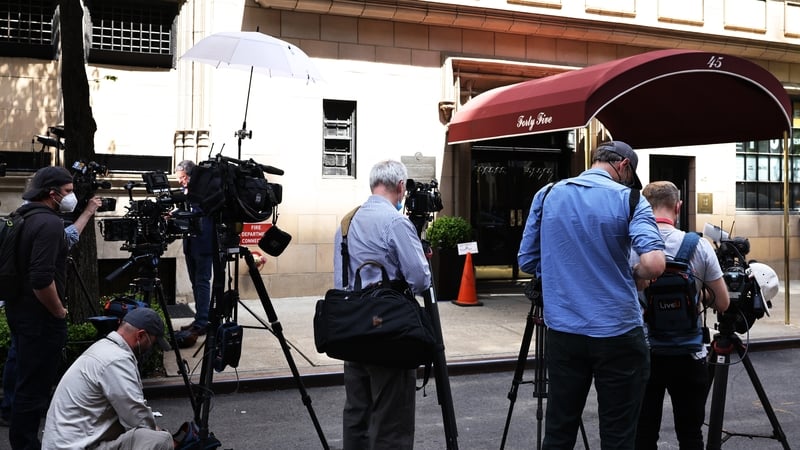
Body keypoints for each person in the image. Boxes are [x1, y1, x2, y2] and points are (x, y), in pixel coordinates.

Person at [517, 140, 666, 449]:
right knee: (618, 434)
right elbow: (654, 263)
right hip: (619, 331)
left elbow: (527, 260)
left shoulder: (546, 195)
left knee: (559, 429)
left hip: (564, 332)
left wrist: (564, 272)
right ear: (624, 166)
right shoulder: (631, 199)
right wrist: (634, 275)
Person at [333, 159, 431, 449]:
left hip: (354, 328)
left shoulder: (347, 223)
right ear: (401, 187)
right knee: (392, 422)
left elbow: (341, 283)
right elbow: (420, 280)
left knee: (357, 415)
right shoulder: (396, 222)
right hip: (389, 332)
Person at [4, 166, 102, 449]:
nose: (72, 197)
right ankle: (26, 444)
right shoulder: (48, 224)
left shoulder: (22, 216)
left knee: (26, 384)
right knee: (33, 389)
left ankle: (23, 440)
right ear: (52, 193)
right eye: (69, 192)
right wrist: (59, 311)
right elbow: (41, 279)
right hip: (40, 319)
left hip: (20, 312)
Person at [633, 181, 730, 449]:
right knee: (690, 434)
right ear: (678, 206)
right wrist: (698, 294)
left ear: (644, 207)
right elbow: (722, 303)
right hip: (689, 355)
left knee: (643, 435)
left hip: (646, 353)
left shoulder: (633, 246)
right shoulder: (698, 245)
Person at [41, 307, 173, 449]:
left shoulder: (104, 348)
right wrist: (161, 433)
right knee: (160, 440)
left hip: (68, 444)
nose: (151, 348)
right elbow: (137, 417)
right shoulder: (117, 360)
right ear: (140, 336)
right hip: (76, 446)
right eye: (152, 343)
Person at [174, 160, 214, 340]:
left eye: (182, 178)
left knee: (202, 282)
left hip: (204, 243)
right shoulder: (186, 191)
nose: (180, 181)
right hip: (190, 243)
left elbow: (201, 213)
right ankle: (200, 319)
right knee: (195, 282)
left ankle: (202, 321)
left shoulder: (203, 191)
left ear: (191, 176)